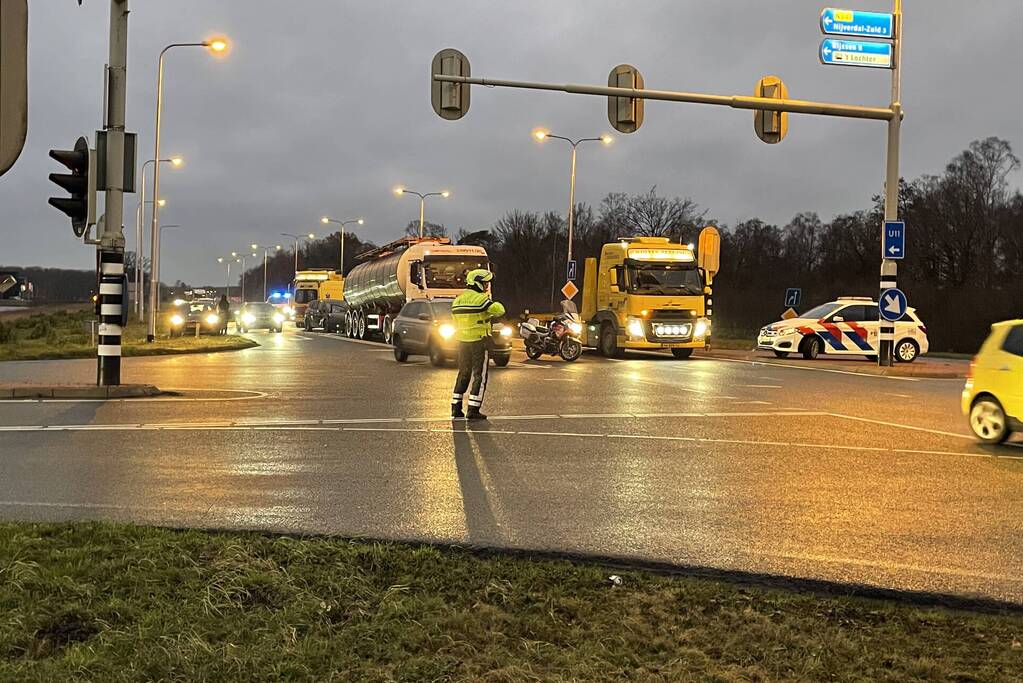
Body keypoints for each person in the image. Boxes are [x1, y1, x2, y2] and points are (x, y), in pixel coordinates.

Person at [450, 269, 505, 420]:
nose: (487, 286)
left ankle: (456, 407)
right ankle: (473, 409)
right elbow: (500, 310)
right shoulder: (481, 299)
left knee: (463, 373)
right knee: (479, 376)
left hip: (462, 341)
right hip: (479, 341)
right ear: (477, 283)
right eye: (485, 283)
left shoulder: (457, 300)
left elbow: (455, 320)